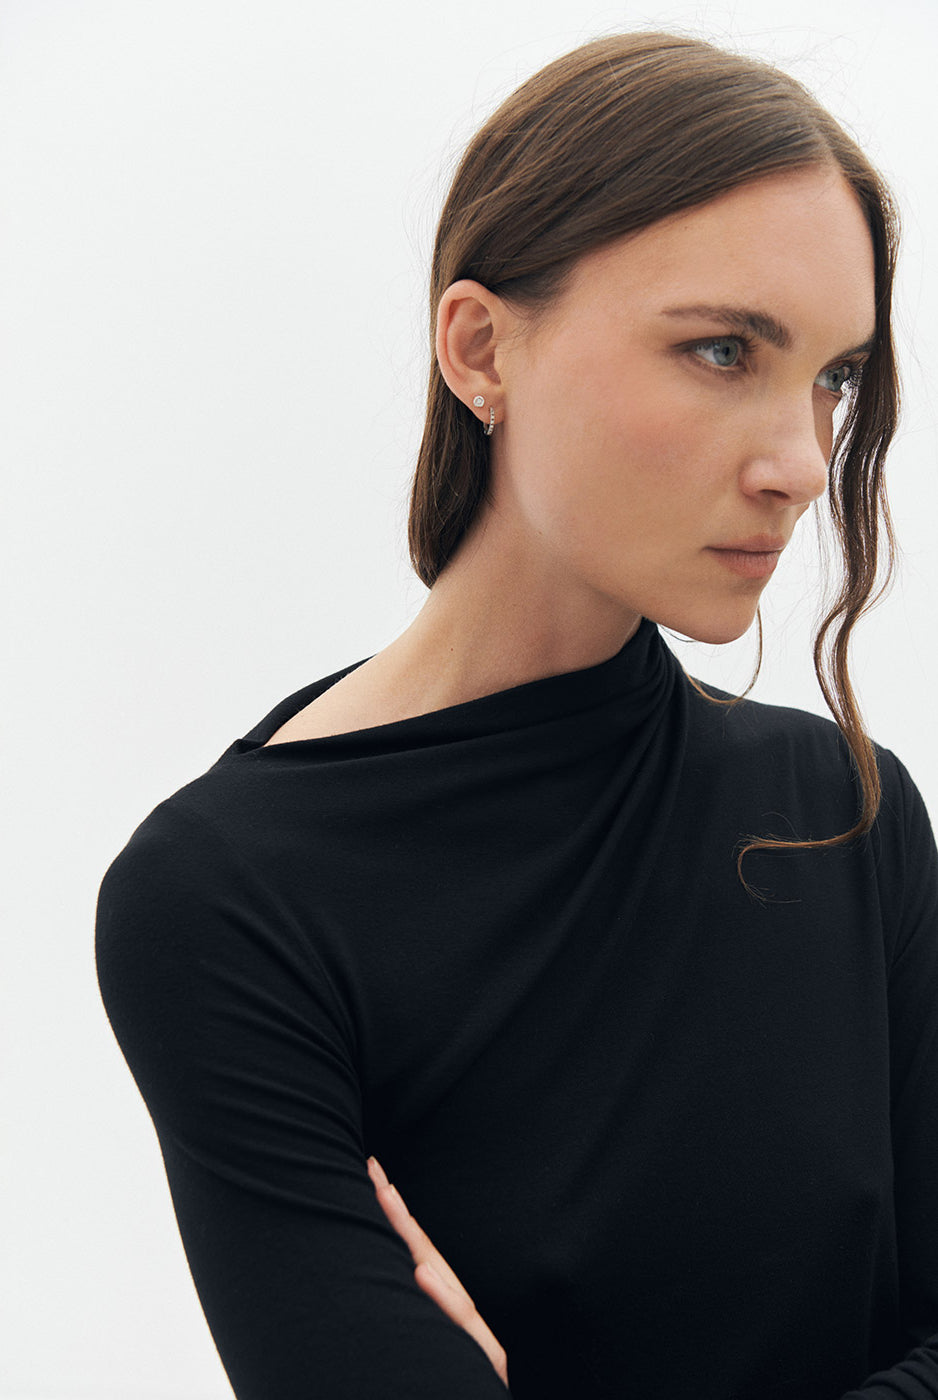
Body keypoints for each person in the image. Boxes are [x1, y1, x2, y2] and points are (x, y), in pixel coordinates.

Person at [94, 30, 937, 1400]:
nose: (798, 461)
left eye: (834, 375)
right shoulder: (229, 898)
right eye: (724, 349)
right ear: (481, 347)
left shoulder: (842, 812)